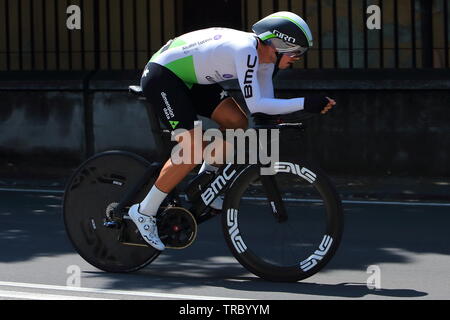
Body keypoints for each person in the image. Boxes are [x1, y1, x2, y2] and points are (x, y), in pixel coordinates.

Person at [128, 11, 336, 250]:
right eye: (295, 52)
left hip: (191, 79)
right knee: (192, 150)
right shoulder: (245, 50)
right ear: (278, 44)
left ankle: (203, 182)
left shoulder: (266, 63)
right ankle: (144, 211)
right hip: (163, 75)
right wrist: (305, 103)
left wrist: (290, 113)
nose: (297, 58)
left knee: (237, 121)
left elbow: (261, 108)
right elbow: (258, 103)